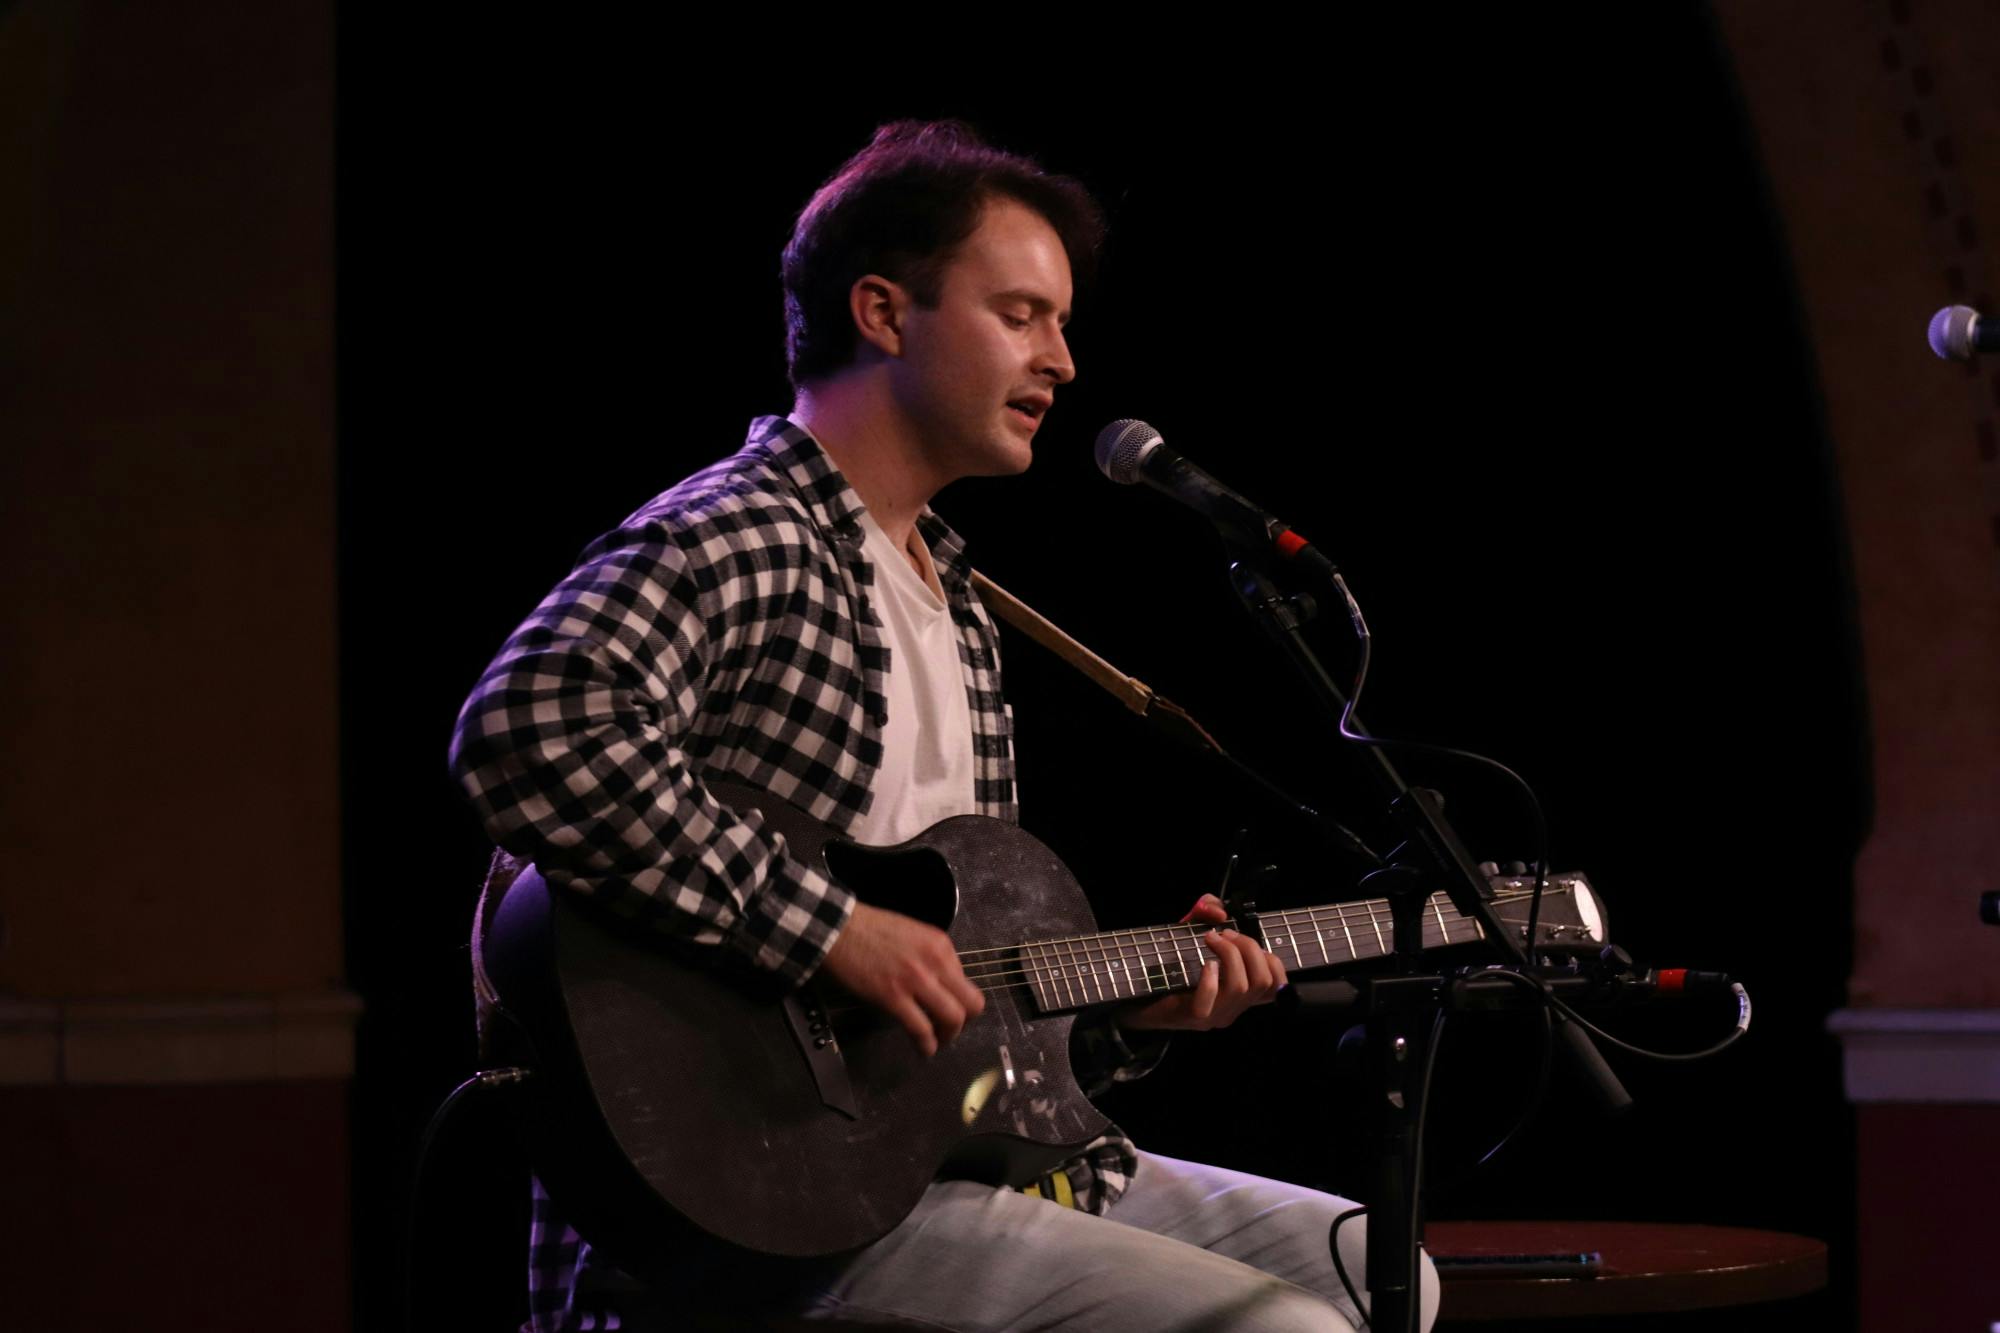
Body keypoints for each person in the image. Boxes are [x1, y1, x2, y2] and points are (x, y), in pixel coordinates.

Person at [449, 119, 1439, 1333]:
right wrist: (824, 931)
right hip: (768, 1200)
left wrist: (1123, 1020)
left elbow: (956, 1015)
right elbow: (529, 725)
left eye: (1061, 321)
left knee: (1374, 1271)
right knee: (1274, 1327)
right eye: (1021, 314)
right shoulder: (746, 530)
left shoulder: (959, 604)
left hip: (938, 1165)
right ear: (882, 311)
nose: (1062, 360)